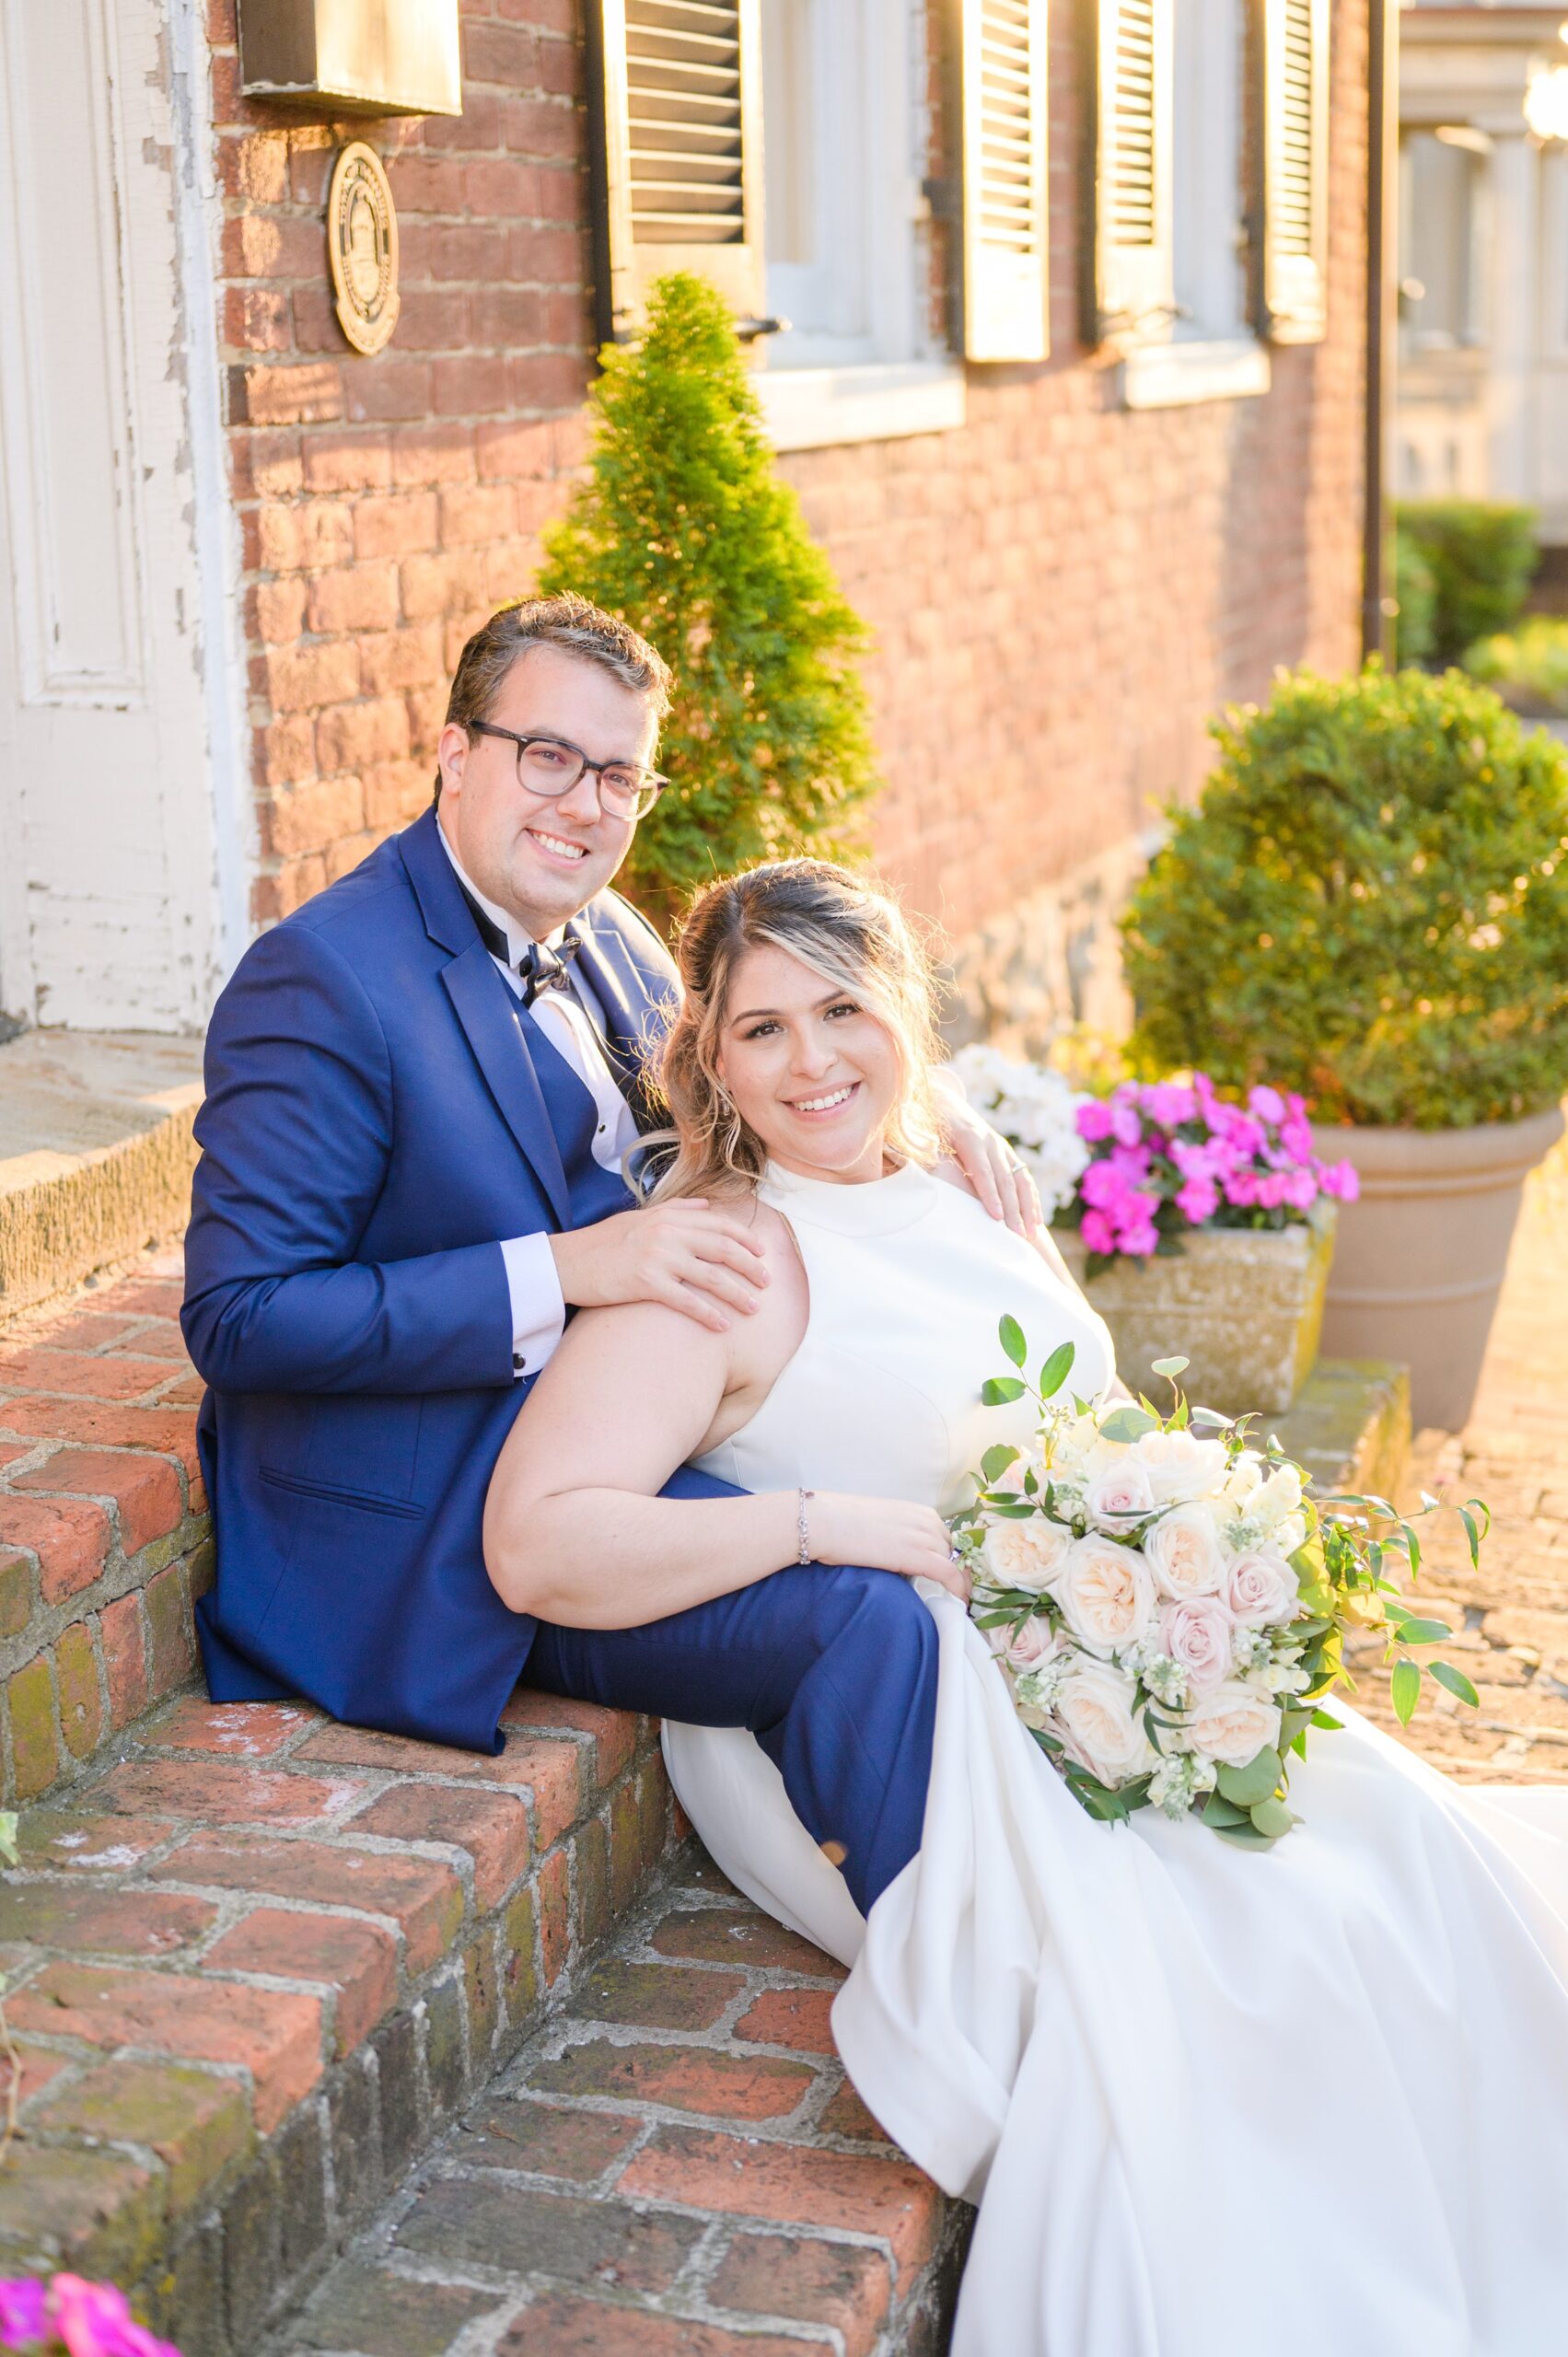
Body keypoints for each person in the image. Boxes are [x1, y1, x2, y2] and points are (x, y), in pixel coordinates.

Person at [485, 857, 1568, 2356]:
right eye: (762, 1030)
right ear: (710, 1060)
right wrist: (823, 1527)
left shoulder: (958, 1184)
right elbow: (536, 1546)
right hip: (916, 1712)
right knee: (1257, 1969)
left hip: (1096, 1655)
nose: (813, 1062)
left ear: (904, 1013)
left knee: (1412, 1868)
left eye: (844, 1010)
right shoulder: (720, 1265)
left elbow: (1096, 1420)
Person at [181, 594, 1034, 1916]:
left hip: (638, 1420)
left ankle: (1077, 1859)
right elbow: (242, 1318)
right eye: (548, 757)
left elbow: (768, 1049)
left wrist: (935, 1112)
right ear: (455, 752)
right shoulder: (324, 981)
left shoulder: (609, 931)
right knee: (864, 1604)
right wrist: (567, 1271)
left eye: (619, 773)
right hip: (452, 1510)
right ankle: (959, 1962)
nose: (584, 805)